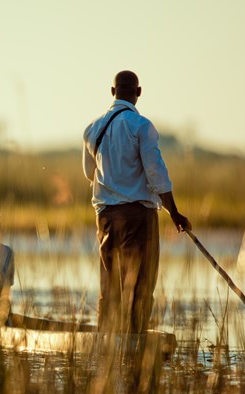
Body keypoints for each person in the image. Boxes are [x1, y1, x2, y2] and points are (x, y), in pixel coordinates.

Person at [82, 70, 192, 334]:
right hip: (138, 217)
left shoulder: (92, 129)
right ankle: (134, 341)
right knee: (140, 283)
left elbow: (89, 174)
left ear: (112, 92)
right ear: (138, 93)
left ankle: (108, 340)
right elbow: (156, 174)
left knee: (110, 283)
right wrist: (174, 213)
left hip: (106, 218)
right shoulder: (142, 126)